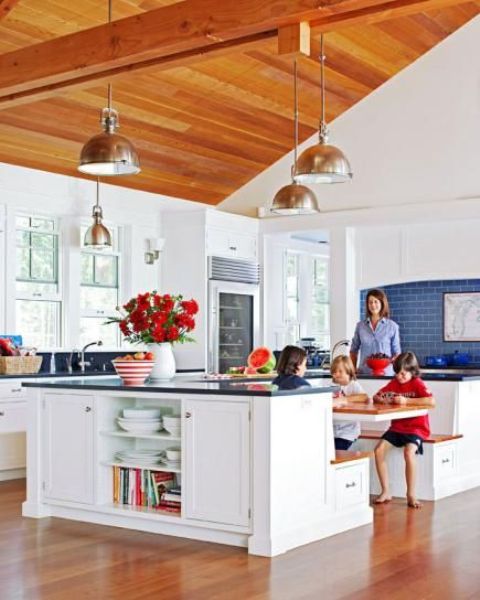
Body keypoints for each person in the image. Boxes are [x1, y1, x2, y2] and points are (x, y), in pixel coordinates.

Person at [372, 352, 436, 509]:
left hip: (417, 428)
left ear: (412, 371)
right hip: (397, 428)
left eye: (403, 373)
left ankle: (411, 494)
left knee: (409, 452)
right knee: (379, 450)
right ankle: (386, 491)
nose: (399, 377)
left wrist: (407, 401)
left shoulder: (417, 383)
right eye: (397, 373)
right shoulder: (394, 383)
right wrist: (382, 399)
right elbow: (375, 396)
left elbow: (431, 401)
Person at [350, 288, 401, 375]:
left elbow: (397, 353)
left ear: (382, 303)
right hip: (364, 373)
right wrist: (353, 369)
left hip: (386, 374)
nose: (373, 305)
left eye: (376, 301)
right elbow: (353, 351)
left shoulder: (392, 326)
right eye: (370, 302)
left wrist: (389, 362)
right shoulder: (360, 326)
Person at [331, 355, 368, 450]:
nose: (336, 374)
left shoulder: (354, 385)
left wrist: (344, 399)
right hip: (333, 432)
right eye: (334, 372)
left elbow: (364, 397)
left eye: (340, 371)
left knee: (336, 451)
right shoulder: (332, 387)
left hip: (348, 433)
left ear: (349, 371)